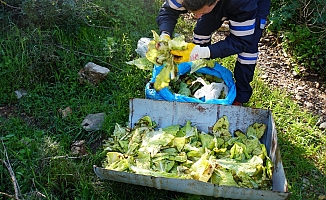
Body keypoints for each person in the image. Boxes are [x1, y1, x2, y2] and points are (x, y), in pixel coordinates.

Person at [156, 0, 271, 106]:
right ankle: (201, 73)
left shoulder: (242, 3)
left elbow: (241, 41)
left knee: (248, 51)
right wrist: (165, 34)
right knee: (201, 30)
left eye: (201, 12)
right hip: (218, 5)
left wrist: (204, 51)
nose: (196, 17)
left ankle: (241, 95)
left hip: (251, 5)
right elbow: (168, 11)